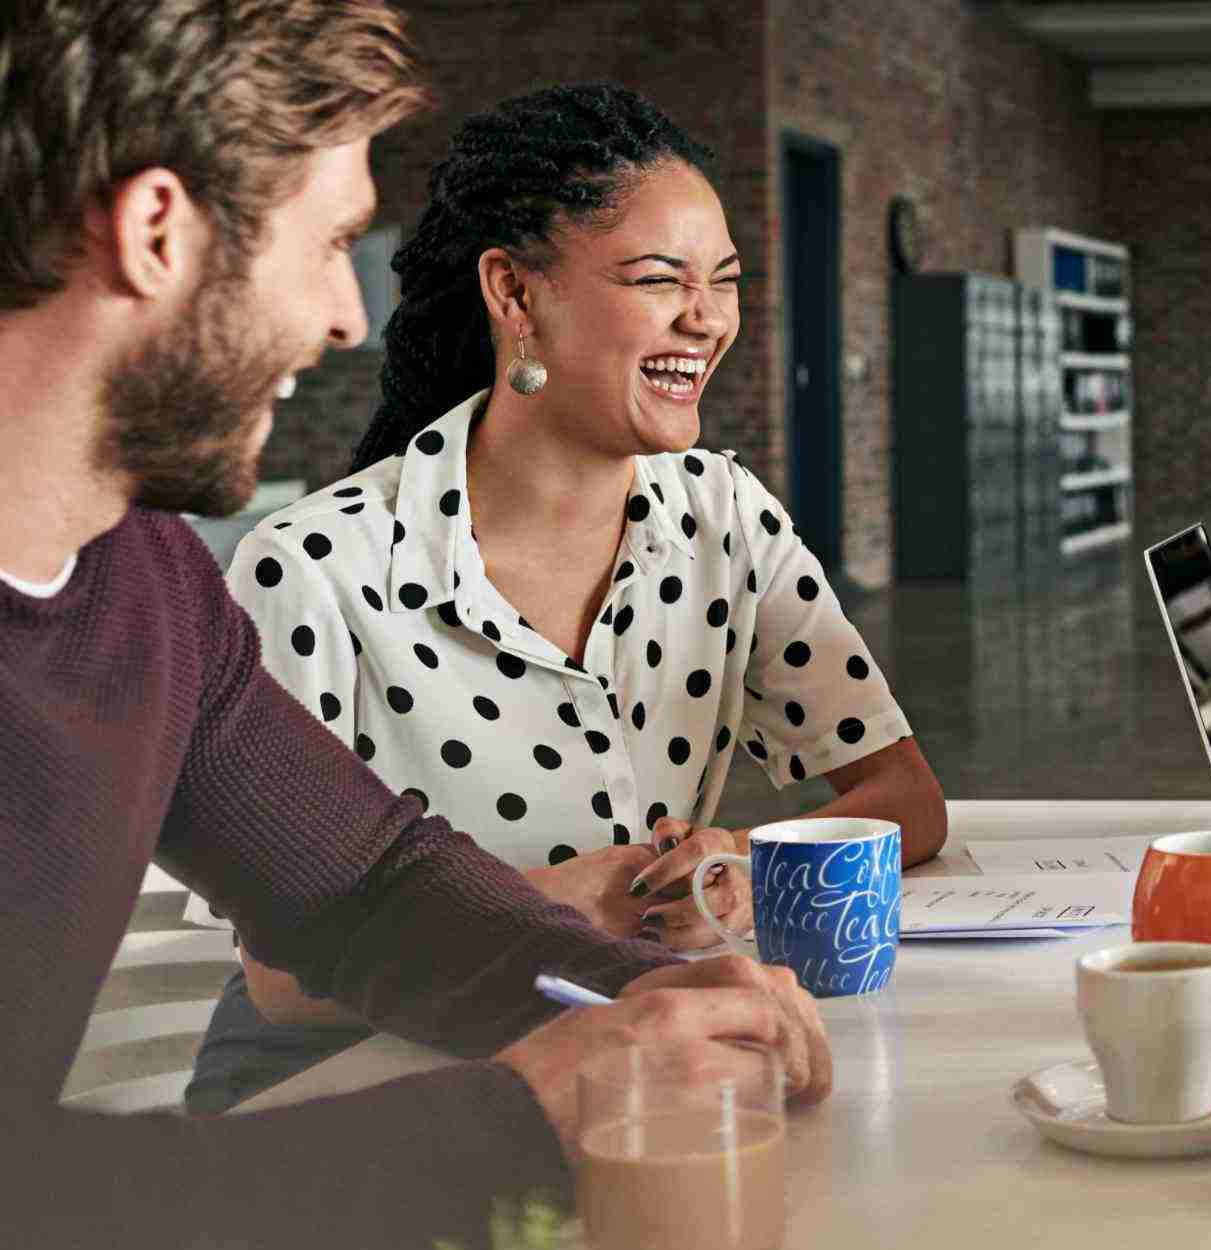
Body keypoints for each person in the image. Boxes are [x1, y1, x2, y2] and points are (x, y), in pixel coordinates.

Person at [0, 4, 829, 1244]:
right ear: (157, 231)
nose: (347, 315)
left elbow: (365, 886)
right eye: (333, 243)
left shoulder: (147, 581)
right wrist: (524, 1117)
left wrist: (656, 993)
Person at [180, 82, 947, 1116]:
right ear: (515, 292)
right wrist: (554, 906)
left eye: (722, 280)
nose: (709, 317)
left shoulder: (728, 516)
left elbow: (906, 799)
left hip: (628, 1052)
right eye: (657, 278)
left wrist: (742, 861)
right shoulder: (313, 568)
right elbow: (282, 977)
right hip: (343, 1097)